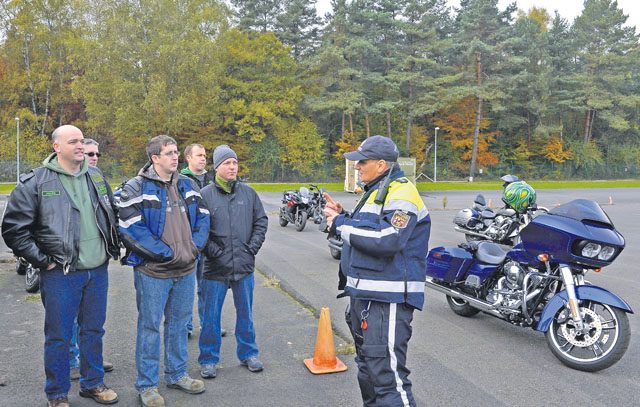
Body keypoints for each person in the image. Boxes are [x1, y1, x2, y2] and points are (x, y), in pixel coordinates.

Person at [2, 125, 121, 407]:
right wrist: (43, 261)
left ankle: (93, 384)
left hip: (97, 270)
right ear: (56, 147)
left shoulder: (96, 176)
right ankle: (56, 394)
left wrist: (111, 247)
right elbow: (14, 230)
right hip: (61, 275)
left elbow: (110, 213)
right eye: (73, 141)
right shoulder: (35, 182)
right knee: (59, 336)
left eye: (82, 140)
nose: (81, 146)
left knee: (93, 330)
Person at [323, 135, 431, 407]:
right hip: (367, 297)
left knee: (388, 379)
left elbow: (388, 238)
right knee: (369, 371)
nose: (357, 166)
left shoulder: (401, 191)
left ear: (382, 164)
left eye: (362, 162)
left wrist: (339, 224)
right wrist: (344, 215)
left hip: (388, 300)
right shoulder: (375, 190)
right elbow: (370, 227)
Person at [117, 135, 210, 407]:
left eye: (176, 152)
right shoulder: (136, 188)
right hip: (153, 273)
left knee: (179, 325)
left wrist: (193, 248)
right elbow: (131, 228)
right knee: (149, 328)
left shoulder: (188, 184)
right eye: (169, 153)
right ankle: (147, 386)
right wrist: (167, 254)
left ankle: (177, 374)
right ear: (154, 158)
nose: (175, 157)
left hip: (185, 270)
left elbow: (203, 218)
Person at [198, 145, 268, 379]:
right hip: (215, 268)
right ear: (216, 167)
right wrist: (213, 251)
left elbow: (261, 221)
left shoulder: (248, 194)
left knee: (246, 314)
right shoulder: (205, 195)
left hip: (244, 266)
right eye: (227, 163)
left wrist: (252, 249)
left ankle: (249, 354)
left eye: (235, 163)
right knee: (211, 317)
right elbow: (197, 229)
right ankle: (208, 359)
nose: (232, 167)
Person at [67, 138, 114, 381]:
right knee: (70, 319)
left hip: (97, 263)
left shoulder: (98, 181)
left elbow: (110, 213)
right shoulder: (62, 181)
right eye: (89, 153)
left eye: (97, 153)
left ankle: (89, 359)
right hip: (69, 265)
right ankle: (72, 360)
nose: (94, 157)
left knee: (93, 321)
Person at [179, 143, 226, 339]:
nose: (203, 158)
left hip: (209, 243)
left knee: (207, 288)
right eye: (199, 155)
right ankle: (186, 325)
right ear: (188, 157)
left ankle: (209, 324)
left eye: (205, 155)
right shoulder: (179, 180)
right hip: (189, 243)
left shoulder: (212, 180)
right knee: (187, 289)